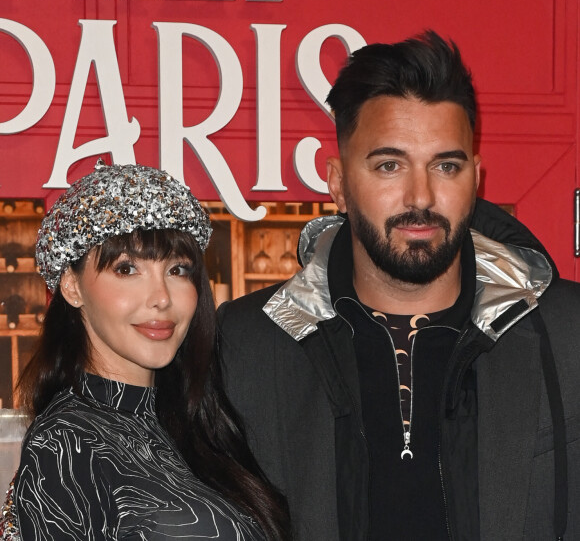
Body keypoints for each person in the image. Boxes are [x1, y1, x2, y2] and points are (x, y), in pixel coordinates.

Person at [217, 31, 580, 540]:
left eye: (445, 166)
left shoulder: (567, 333)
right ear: (338, 183)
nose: (421, 196)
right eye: (389, 165)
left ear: (476, 180)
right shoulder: (242, 345)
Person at [1, 160, 291, 540]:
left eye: (177, 270)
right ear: (72, 287)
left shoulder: (200, 420)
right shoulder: (66, 441)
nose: (161, 299)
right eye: (127, 269)